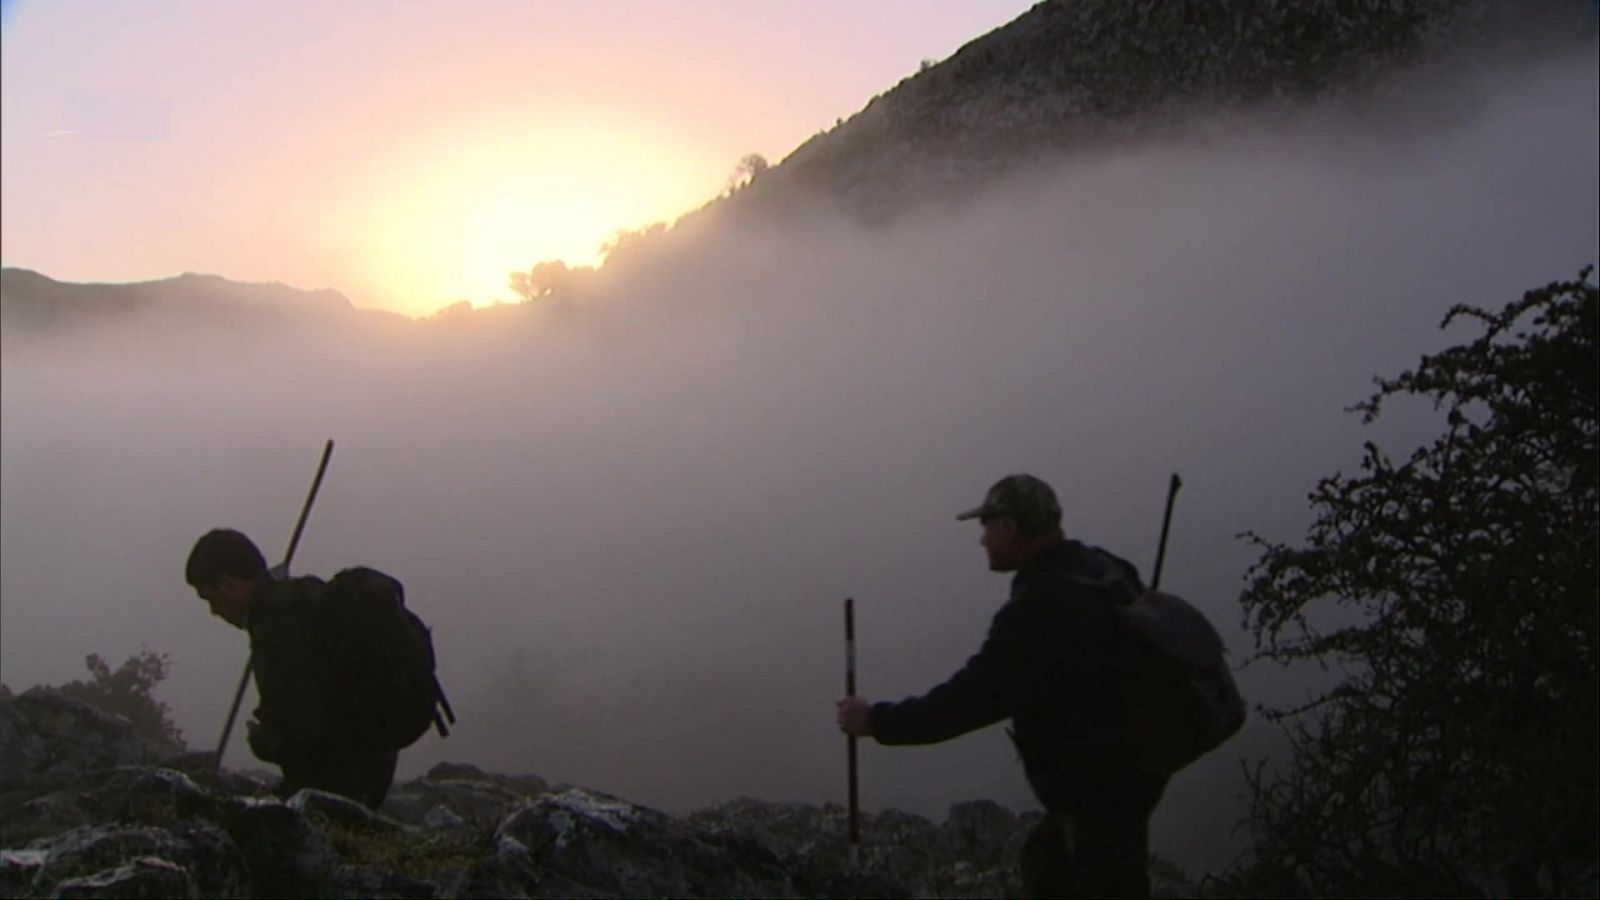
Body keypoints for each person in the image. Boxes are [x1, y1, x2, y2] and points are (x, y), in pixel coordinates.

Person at [835, 474, 1167, 898]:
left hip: (1095, 790)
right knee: (1054, 860)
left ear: (1009, 527)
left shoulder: (1039, 608)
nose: (982, 540)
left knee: (1078, 875)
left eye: (986, 527)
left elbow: (968, 700)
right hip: (1136, 772)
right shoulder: (1104, 568)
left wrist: (875, 721)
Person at [185, 528, 399, 809]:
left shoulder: (275, 626)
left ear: (226, 582)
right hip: (376, 760)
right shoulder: (302, 598)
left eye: (210, 598)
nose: (214, 611)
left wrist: (265, 741)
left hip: (341, 778)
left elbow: (305, 731)